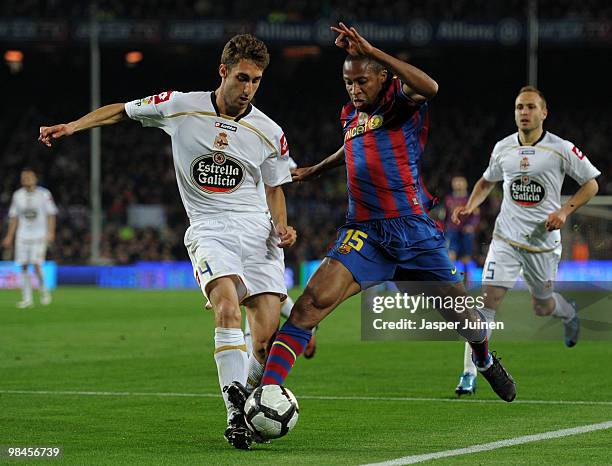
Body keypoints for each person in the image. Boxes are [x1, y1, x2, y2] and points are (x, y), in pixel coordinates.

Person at [223, 23, 517, 418]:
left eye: (362, 82)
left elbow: (430, 87)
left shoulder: (400, 104)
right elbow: (352, 148)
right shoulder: (352, 115)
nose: (355, 90)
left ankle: (482, 357)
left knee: (465, 319)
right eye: (348, 83)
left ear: (382, 77)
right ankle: (268, 394)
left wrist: (373, 50)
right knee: (308, 306)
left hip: (413, 232)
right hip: (364, 233)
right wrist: (316, 170)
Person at [39, 34, 296, 450]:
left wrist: (282, 226)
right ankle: (234, 412)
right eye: (243, 78)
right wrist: (71, 127)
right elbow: (120, 112)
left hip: (260, 235)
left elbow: (275, 188)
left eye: (257, 81)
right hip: (210, 227)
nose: (248, 89)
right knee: (227, 308)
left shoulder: (269, 131)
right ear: (223, 71)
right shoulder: (180, 106)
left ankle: (250, 399)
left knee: (265, 342)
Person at [452, 86, 600, 397]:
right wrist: (471, 205)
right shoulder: (503, 147)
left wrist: (564, 210)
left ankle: (568, 312)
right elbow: (485, 181)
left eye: (531, 107)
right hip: (505, 239)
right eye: (520, 107)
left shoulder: (560, 149)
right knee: (485, 306)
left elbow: (591, 184)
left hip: (542, 245)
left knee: (542, 306)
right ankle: (469, 373)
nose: (524, 112)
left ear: (544, 113)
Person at [2, 168, 57, 308]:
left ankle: (44, 291)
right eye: (23, 177)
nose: (26, 179)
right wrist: (9, 236)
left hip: (39, 235)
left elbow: (51, 214)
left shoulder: (44, 194)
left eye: (29, 177)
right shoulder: (17, 195)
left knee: (37, 264)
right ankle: (27, 299)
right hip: (22, 236)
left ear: (35, 179)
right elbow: (14, 218)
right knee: (24, 266)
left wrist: (51, 232)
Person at [444, 175, 479, 281]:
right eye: (456, 181)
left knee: (466, 258)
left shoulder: (470, 199)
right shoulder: (448, 199)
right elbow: (445, 216)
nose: (458, 184)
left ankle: (466, 280)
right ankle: (451, 280)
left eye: (460, 181)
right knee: (451, 255)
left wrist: (471, 226)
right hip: (452, 230)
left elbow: (476, 214)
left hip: (466, 232)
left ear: (465, 184)